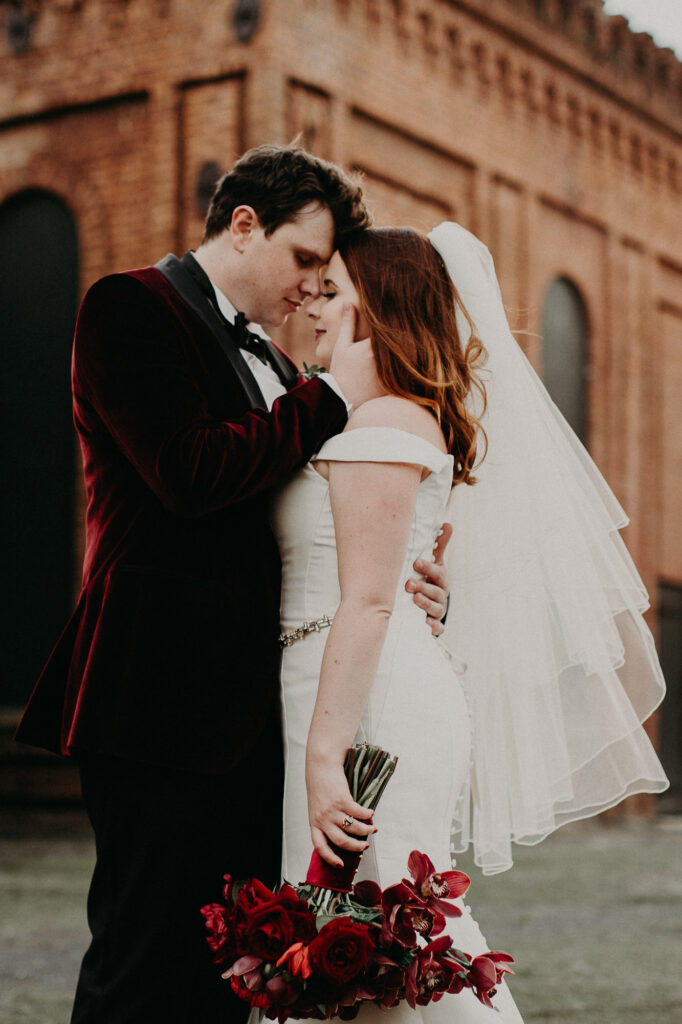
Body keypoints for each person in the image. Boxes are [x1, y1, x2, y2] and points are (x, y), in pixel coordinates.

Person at [13, 146, 450, 1024]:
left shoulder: (283, 372)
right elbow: (189, 472)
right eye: (303, 262)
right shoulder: (128, 307)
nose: (311, 291)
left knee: (236, 983)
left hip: (257, 725)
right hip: (156, 703)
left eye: (327, 277)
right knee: (144, 969)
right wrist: (329, 395)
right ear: (244, 225)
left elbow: (305, 522)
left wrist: (409, 583)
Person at [264, 223, 669, 1022]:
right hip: (356, 686)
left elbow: (371, 598)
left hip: (359, 709)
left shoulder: (381, 421)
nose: (317, 307)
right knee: (360, 946)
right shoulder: (382, 417)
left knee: (389, 942)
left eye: (336, 293)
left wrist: (322, 755)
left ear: (380, 311)